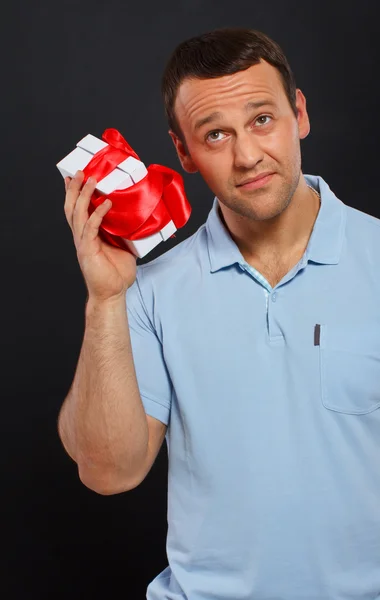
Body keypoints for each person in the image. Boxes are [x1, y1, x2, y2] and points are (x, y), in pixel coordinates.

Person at [58, 27, 380, 600]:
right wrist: (106, 300)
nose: (248, 155)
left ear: (298, 113)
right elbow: (109, 472)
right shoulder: (150, 291)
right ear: (183, 153)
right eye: (215, 134)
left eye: (262, 120)